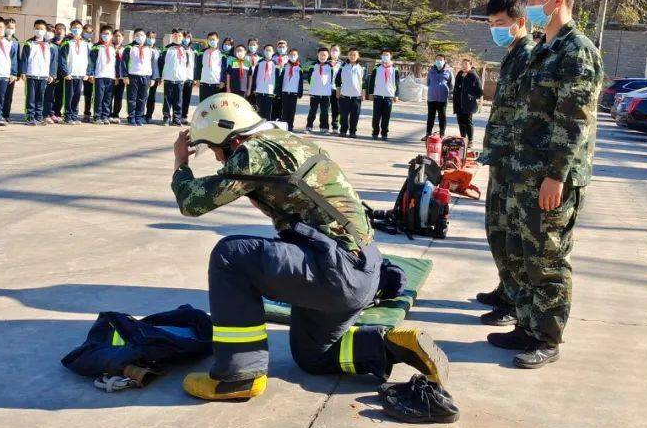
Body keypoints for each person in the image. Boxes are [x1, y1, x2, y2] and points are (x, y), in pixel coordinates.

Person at [170, 93, 449, 401]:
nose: (218, 159)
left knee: (230, 256)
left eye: (215, 149)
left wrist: (180, 163)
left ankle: (237, 376)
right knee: (313, 356)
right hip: (363, 269)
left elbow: (192, 202)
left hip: (337, 271)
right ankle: (392, 344)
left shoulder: (252, 152)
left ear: (231, 138)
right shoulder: (285, 140)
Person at [480, 0, 602, 370]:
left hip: (550, 178)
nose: (529, 5)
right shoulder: (544, 50)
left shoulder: (576, 51)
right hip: (523, 173)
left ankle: (548, 338)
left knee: (548, 258)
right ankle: (528, 326)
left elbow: (573, 123)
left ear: (557, 0)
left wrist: (556, 176)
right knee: (524, 253)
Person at [19, 20, 58, 126]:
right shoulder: (29, 43)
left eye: (41, 29)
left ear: (45, 31)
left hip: (44, 75)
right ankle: (30, 116)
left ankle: (39, 116)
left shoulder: (50, 45)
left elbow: (53, 61)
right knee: (31, 97)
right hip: (31, 74)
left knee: (41, 96)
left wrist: (52, 74)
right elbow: (24, 58)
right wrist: (23, 71)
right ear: (33, 29)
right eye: (37, 28)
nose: (39, 31)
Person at [59, 20, 91, 125]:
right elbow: (62, 59)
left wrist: (87, 73)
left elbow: (89, 59)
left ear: (82, 29)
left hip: (81, 74)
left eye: (78, 28)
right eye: (74, 28)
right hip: (70, 74)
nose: (76, 30)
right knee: (69, 96)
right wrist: (65, 72)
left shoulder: (86, 43)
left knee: (77, 96)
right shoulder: (67, 43)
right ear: (71, 29)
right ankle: (67, 116)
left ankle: (74, 115)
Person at [159, 28, 192, 126]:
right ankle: (166, 117)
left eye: (179, 36)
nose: (177, 37)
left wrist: (185, 77)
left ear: (182, 37)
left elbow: (187, 64)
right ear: (172, 36)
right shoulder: (167, 48)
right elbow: (161, 63)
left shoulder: (185, 49)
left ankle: (176, 118)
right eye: (175, 35)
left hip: (180, 79)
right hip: (169, 78)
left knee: (178, 100)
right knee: (167, 99)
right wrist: (161, 76)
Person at [89, 26, 119, 124]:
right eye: (104, 34)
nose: (106, 36)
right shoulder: (96, 47)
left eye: (108, 34)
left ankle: (105, 115)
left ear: (111, 36)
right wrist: (91, 74)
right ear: (101, 35)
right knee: (99, 97)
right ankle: (97, 116)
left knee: (108, 97)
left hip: (110, 76)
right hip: (99, 75)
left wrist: (117, 76)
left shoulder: (113, 47)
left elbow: (116, 63)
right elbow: (92, 62)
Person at [367, 51, 400, 141]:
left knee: (386, 116)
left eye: (387, 55)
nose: (385, 56)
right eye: (384, 55)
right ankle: (375, 132)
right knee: (376, 116)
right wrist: (370, 93)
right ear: (381, 56)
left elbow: (397, 83)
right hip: (378, 95)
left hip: (388, 96)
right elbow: (372, 81)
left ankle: (384, 133)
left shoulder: (394, 69)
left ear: (390, 56)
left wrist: (396, 94)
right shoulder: (376, 68)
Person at [336, 48, 366, 138]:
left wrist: (363, 94)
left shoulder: (361, 68)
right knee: (343, 115)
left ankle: (353, 131)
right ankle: (343, 131)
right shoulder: (343, 66)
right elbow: (338, 80)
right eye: (351, 54)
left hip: (356, 96)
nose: (352, 56)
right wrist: (338, 91)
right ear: (348, 55)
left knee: (355, 115)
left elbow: (364, 82)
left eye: (354, 55)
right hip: (344, 95)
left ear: (358, 56)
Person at [452, 58, 483, 144]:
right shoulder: (459, 74)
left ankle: (470, 140)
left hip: (468, 104)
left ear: (470, 65)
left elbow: (479, 91)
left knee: (468, 122)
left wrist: (471, 97)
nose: (464, 66)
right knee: (460, 122)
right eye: (463, 64)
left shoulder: (473, 76)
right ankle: (463, 139)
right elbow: (456, 88)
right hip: (458, 103)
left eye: (466, 64)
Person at [305, 47, 333, 133]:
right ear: (318, 55)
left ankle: (324, 128)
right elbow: (309, 77)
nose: (322, 57)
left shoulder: (330, 66)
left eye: (324, 55)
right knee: (312, 111)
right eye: (321, 55)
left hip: (325, 93)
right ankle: (309, 126)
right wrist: (314, 85)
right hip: (315, 92)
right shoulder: (313, 65)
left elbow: (331, 78)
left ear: (328, 56)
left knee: (324, 112)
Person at [425, 53, 454, 137]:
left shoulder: (448, 71)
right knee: (430, 116)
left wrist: (449, 94)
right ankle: (428, 133)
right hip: (431, 97)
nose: (438, 61)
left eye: (440, 60)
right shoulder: (431, 71)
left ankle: (442, 134)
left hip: (442, 98)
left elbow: (452, 84)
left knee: (442, 117)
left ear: (444, 61)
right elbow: (428, 82)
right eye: (437, 60)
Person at [277, 48, 304, 131]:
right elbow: (281, 79)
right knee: (284, 109)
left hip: (294, 92)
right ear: (288, 56)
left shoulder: (299, 68)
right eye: (291, 55)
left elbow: (301, 81)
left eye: (294, 55)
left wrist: (300, 92)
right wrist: (279, 90)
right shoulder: (285, 66)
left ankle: (290, 125)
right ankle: (284, 125)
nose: (293, 56)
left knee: (292, 110)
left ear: (297, 56)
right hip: (285, 91)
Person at [250, 44, 279, 120]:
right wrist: (254, 87)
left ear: (273, 52)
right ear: (263, 51)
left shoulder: (275, 64)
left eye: (270, 50)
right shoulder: (259, 63)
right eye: (266, 50)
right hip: (259, 90)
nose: (268, 52)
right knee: (259, 110)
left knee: (268, 110)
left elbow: (277, 78)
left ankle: (267, 124)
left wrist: (276, 90)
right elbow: (255, 75)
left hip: (270, 91)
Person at [0, 17, 20, 123]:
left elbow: (16, 58)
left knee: (8, 96)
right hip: (0, 71)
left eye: (12, 28)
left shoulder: (15, 41)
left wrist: (16, 73)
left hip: (11, 73)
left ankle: (6, 115)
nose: (10, 29)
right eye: (8, 27)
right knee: (0, 95)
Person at [198, 32, 225, 102]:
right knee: (203, 104)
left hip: (216, 83)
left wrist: (222, 81)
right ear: (207, 40)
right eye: (210, 40)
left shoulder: (222, 54)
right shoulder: (202, 52)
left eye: (213, 39)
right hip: (204, 82)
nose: (212, 41)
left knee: (215, 104)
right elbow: (198, 66)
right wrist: (197, 78)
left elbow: (223, 69)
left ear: (218, 40)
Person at [110, 29, 127, 123]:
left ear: (123, 38)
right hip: (110, 76)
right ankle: (107, 114)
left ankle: (116, 114)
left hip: (120, 77)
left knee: (118, 96)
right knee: (109, 96)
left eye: (120, 36)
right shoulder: (108, 47)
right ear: (112, 36)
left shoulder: (125, 49)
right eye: (116, 36)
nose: (118, 38)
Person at [180, 31, 196, 120]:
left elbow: (194, 65)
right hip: (181, 77)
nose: (186, 39)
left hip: (190, 77)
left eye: (188, 37)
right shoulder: (178, 49)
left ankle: (184, 116)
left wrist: (194, 78)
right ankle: (177, 116)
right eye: (184, 37)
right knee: (179, 99)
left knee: (187, 99)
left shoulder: (192, 50)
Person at [327, 44, 343, 135]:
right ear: (330, 52)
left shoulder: (342, 64)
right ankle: (324, 126)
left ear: (339, 52)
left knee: (336, 110)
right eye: (333, 50)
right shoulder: (325, 62)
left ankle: (335, 127)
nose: (334, 52)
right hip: (326, 89)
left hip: (336, 89)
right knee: (325, 109)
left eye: (336, 50)